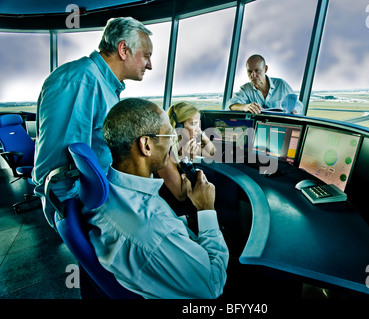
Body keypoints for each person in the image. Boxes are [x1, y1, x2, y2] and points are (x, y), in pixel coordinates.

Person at [83, 97, 229, 299]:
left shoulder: (112, 191)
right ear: (146, 145)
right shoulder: (157, 231)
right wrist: (206, 210)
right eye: (169, 134)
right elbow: (212, 286)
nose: (173, 140)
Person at [32, 17, 153, 229]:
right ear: (123, 49)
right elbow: (58, 173)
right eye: (147, 56)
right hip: (89, 209)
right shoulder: (79, 81)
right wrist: (78, 220)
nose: (149, 65)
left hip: (100, 198)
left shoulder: (103, 85)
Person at [156, 102, 215, 202]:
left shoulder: (186, 144)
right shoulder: (165, 155)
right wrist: (187, 161)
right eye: (193, 124)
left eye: (198, 123)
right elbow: (181, 196)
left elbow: (211, 152)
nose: (198, 128)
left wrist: (200, 133)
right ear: (178, 127)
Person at [227, 54, 300, 114]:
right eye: (249, 71)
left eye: (257, 70)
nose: (253, 75)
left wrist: (295, 111)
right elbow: (230, 104)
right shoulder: (246, 89)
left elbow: (298, 105)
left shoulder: (281, 85)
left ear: (265, 69)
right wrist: (245, 107)